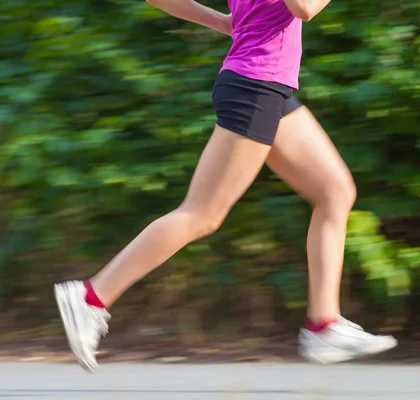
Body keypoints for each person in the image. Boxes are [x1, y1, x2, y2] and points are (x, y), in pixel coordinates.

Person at [54, 0, 398, 373]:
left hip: (267, 85)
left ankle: (324, 324)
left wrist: (224, 22)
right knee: (201, 214)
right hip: (257, 87)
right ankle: (91, 297)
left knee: (335, 191)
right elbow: (305, 7)